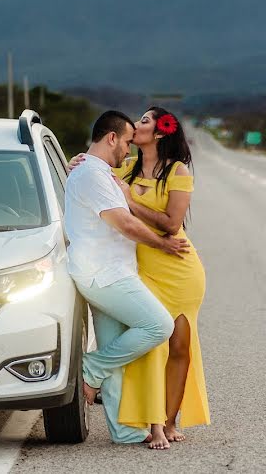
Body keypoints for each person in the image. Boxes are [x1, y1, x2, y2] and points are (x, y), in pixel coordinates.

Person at [69, 107, 210, 450]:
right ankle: (92, 370)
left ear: (161, 133)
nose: (131, 144)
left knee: (172, 343)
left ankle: (130, 429)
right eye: (128, 138)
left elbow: (171, 224)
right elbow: (99, 184)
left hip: (168, 267)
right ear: (115, 139)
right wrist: (79, 161)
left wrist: (128, 198)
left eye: (144, 123)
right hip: (120, 270)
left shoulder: (174, 171)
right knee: (154, 331)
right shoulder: (119, 169)